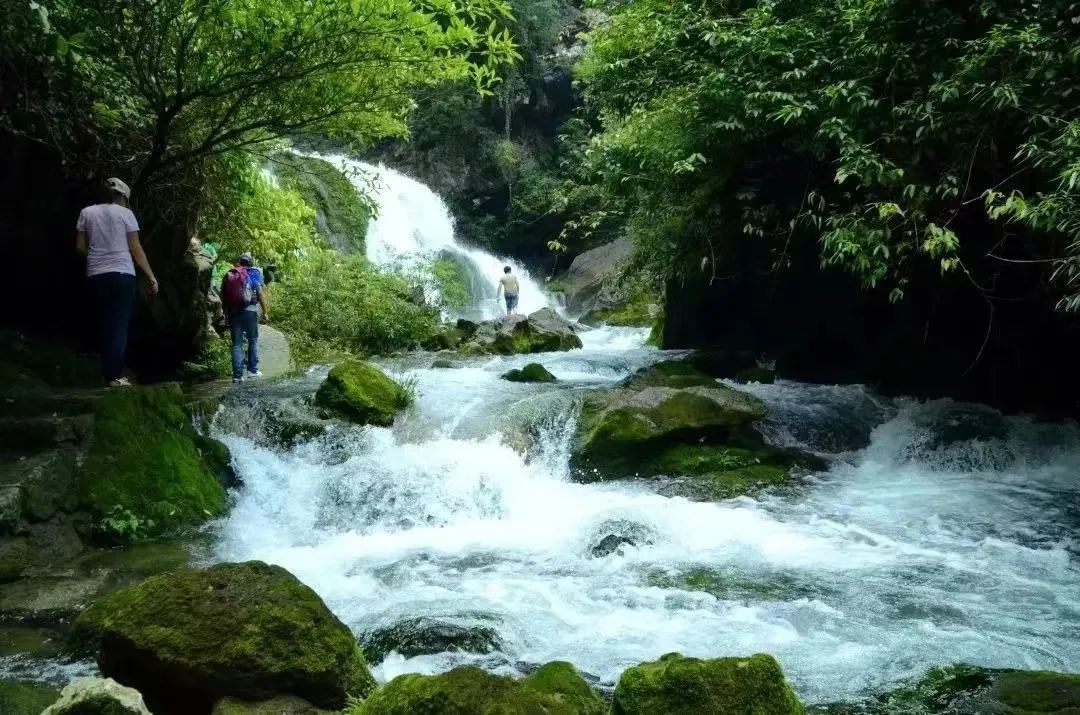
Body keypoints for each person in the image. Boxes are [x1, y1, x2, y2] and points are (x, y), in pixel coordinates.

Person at [76, 177, 158, 387]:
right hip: (122, 274)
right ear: (122, 196)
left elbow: (80, 247)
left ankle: (105, 373)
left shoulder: (87, 212)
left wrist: (96, 259)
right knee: (118, 325)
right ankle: (114, 376)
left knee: (102, 321)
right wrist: (150, 276)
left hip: (96, 274)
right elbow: (135, 248)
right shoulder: (126, 214)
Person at [221, 252, 269, 384]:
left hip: (234, 313)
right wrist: (265, 312)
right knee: (252, 340)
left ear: (239, 262)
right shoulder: (254, 273)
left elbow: (223, 297)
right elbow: (260, 294)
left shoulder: (231, 274)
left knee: (237, 344)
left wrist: (226, 315)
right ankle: (252, 371)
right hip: (250, 312)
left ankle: (237, 375)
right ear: (250, 262)